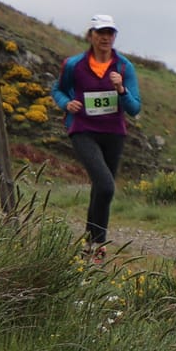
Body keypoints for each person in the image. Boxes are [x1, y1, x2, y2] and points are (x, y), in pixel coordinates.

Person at [52, 14, 143, 258]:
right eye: (100, 32)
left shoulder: (124, 67)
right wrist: (66, 103)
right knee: (105, 185)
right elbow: (58, 89)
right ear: (90, 35)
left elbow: (134, 108)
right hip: (83, 130)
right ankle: (99, 244)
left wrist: (121, 89)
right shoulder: (73, 65)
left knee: (100, 189)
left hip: (114, 134)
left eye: (110, 33)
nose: (105, 37)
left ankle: (89, 246)